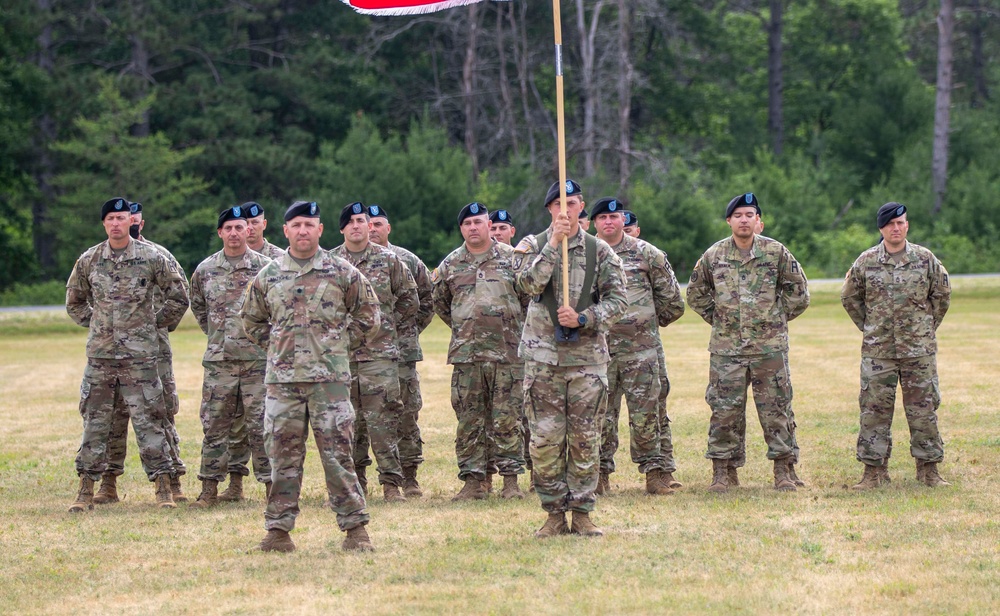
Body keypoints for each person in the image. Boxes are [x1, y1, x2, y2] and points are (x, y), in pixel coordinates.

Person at [240, 200, 377, 552]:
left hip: (329, 383)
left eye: (309, 225)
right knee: (281, 458)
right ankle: (278, 532)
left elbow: (368, 314)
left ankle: (356, 530)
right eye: (296, 225)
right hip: (282, 385)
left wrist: (338, 347)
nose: (303, 231)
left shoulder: (342, 271)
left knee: (338, 455)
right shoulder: (268, 275)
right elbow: (252, 321)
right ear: (285, 231)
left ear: (320, 230)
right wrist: (277, 350)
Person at [514, 179, 627, 538]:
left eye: (574, 203)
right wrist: (553, 245)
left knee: (585, 438)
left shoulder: (600, 251)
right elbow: (526, 285)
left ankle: (581, 512)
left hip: (587, 361)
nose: (567, 209)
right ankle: (552, 512)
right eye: (560, 204)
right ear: (549, 209)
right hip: (543, 359)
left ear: (582, 208)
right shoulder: (531, 246)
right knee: (545, 440)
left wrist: (585, 318)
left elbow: (619, 301)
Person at [66, 197, 189, 512]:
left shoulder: (150, 257)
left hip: (140, 358)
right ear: (104, 223)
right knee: (96, 423)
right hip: (102, 359)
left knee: (150, 419)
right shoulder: (90, 259)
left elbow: (179, 295)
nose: (117, 223)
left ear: (131, 222)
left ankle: (163, 489)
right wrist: (96, 326)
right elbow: (75, 301)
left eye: (122, 218)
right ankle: (85, 490)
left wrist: (151, 326)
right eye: (111, 219)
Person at [686, 193, 809, 492]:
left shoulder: (775, 252)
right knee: (724, 410)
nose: (744, 220)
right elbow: (695, 293)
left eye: (749, 214)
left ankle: (784, 469)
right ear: (729, 221)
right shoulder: (714, 255)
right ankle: (723, 472)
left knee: (776, 408)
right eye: (738, 215)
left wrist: (775, 319)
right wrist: (720, 319)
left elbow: (799, 292)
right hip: (727, 350)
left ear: (758, 221)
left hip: (769, 348)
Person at [841, 202, 951, 489]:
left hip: (918, 351)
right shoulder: (866, 261)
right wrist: (872, 328)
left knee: (924, 410)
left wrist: (924, 328)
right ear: (881, 228)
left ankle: (929, 470)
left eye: (901, 222)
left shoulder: (925, 259)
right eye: (890, 224)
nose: (896, 228)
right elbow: (850, 298)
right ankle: (873, 472)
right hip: (880, 353)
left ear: (907, 225)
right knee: (874, 411)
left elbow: (941, 295)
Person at [433, 202, 529, 501]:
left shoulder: (514, 259)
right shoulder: (451, 264)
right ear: (461, 229)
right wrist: (468, 327)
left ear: (489, 224)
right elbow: (441, 303)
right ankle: (474, 480)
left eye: (478, 222)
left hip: (508, 353)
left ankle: (511, 480)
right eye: (467, 224)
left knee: (508, 418)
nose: (473, 228)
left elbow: (529, 299)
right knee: (469, 420)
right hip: (467, 355)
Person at [590, 198, 685, 496]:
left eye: (614, 216)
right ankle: (599, 475)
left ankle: (655, 475)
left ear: (623, 220)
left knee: (647, 414)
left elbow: (671, 300)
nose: (609, 222)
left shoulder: (647, 254)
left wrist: (644, 326)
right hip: (598, 350)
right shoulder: (583, 255)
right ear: (595, 223)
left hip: (641, 351)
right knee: (599, 415)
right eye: (603, 217)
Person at [331, 202, 419, 502]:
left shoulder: (389, 260)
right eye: (350, 222)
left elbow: (409, 299)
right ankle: (354, 483)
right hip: (341, 357)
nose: (357, 225)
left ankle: (391, 484)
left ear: (371, 226)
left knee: (384, 421)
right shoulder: (330, 263)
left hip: (380, 356)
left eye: (361, 220)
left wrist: (387, 328)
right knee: (346, 423)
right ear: (342, 229)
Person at [187, 206, 273, 508]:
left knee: (263, 425)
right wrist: (218, 335)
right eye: (230, 228)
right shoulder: (206, 269)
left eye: (241, 227)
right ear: (220, 232)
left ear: (249, 230)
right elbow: (198, 307)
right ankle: (209, 489)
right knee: (214, 426)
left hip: (257, 361)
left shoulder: (267, 267)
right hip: (220, 362)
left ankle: (271, 490)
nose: (236, 233)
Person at [366, 204, 435, 497]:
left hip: (401, 355)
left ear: (388, 228)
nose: (371, 228)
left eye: (378, 223)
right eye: (366, 223)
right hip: (360, 355)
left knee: (406, 414)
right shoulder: (340, 261)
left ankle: (409, 476)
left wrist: (402, 332)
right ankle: (360, 478)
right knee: (361, 419)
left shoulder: (406, 260)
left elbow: (427, 301)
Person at [219, 201, 284, 501]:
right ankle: (234, 482)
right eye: (246, 222)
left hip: (264, 356)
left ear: (261, 225)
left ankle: (272, 484)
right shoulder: (213, 266)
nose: (250, 226)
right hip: (227, 355)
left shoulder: (277, 260)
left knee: (263, 422)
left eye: (253, 222)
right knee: (229, 423)